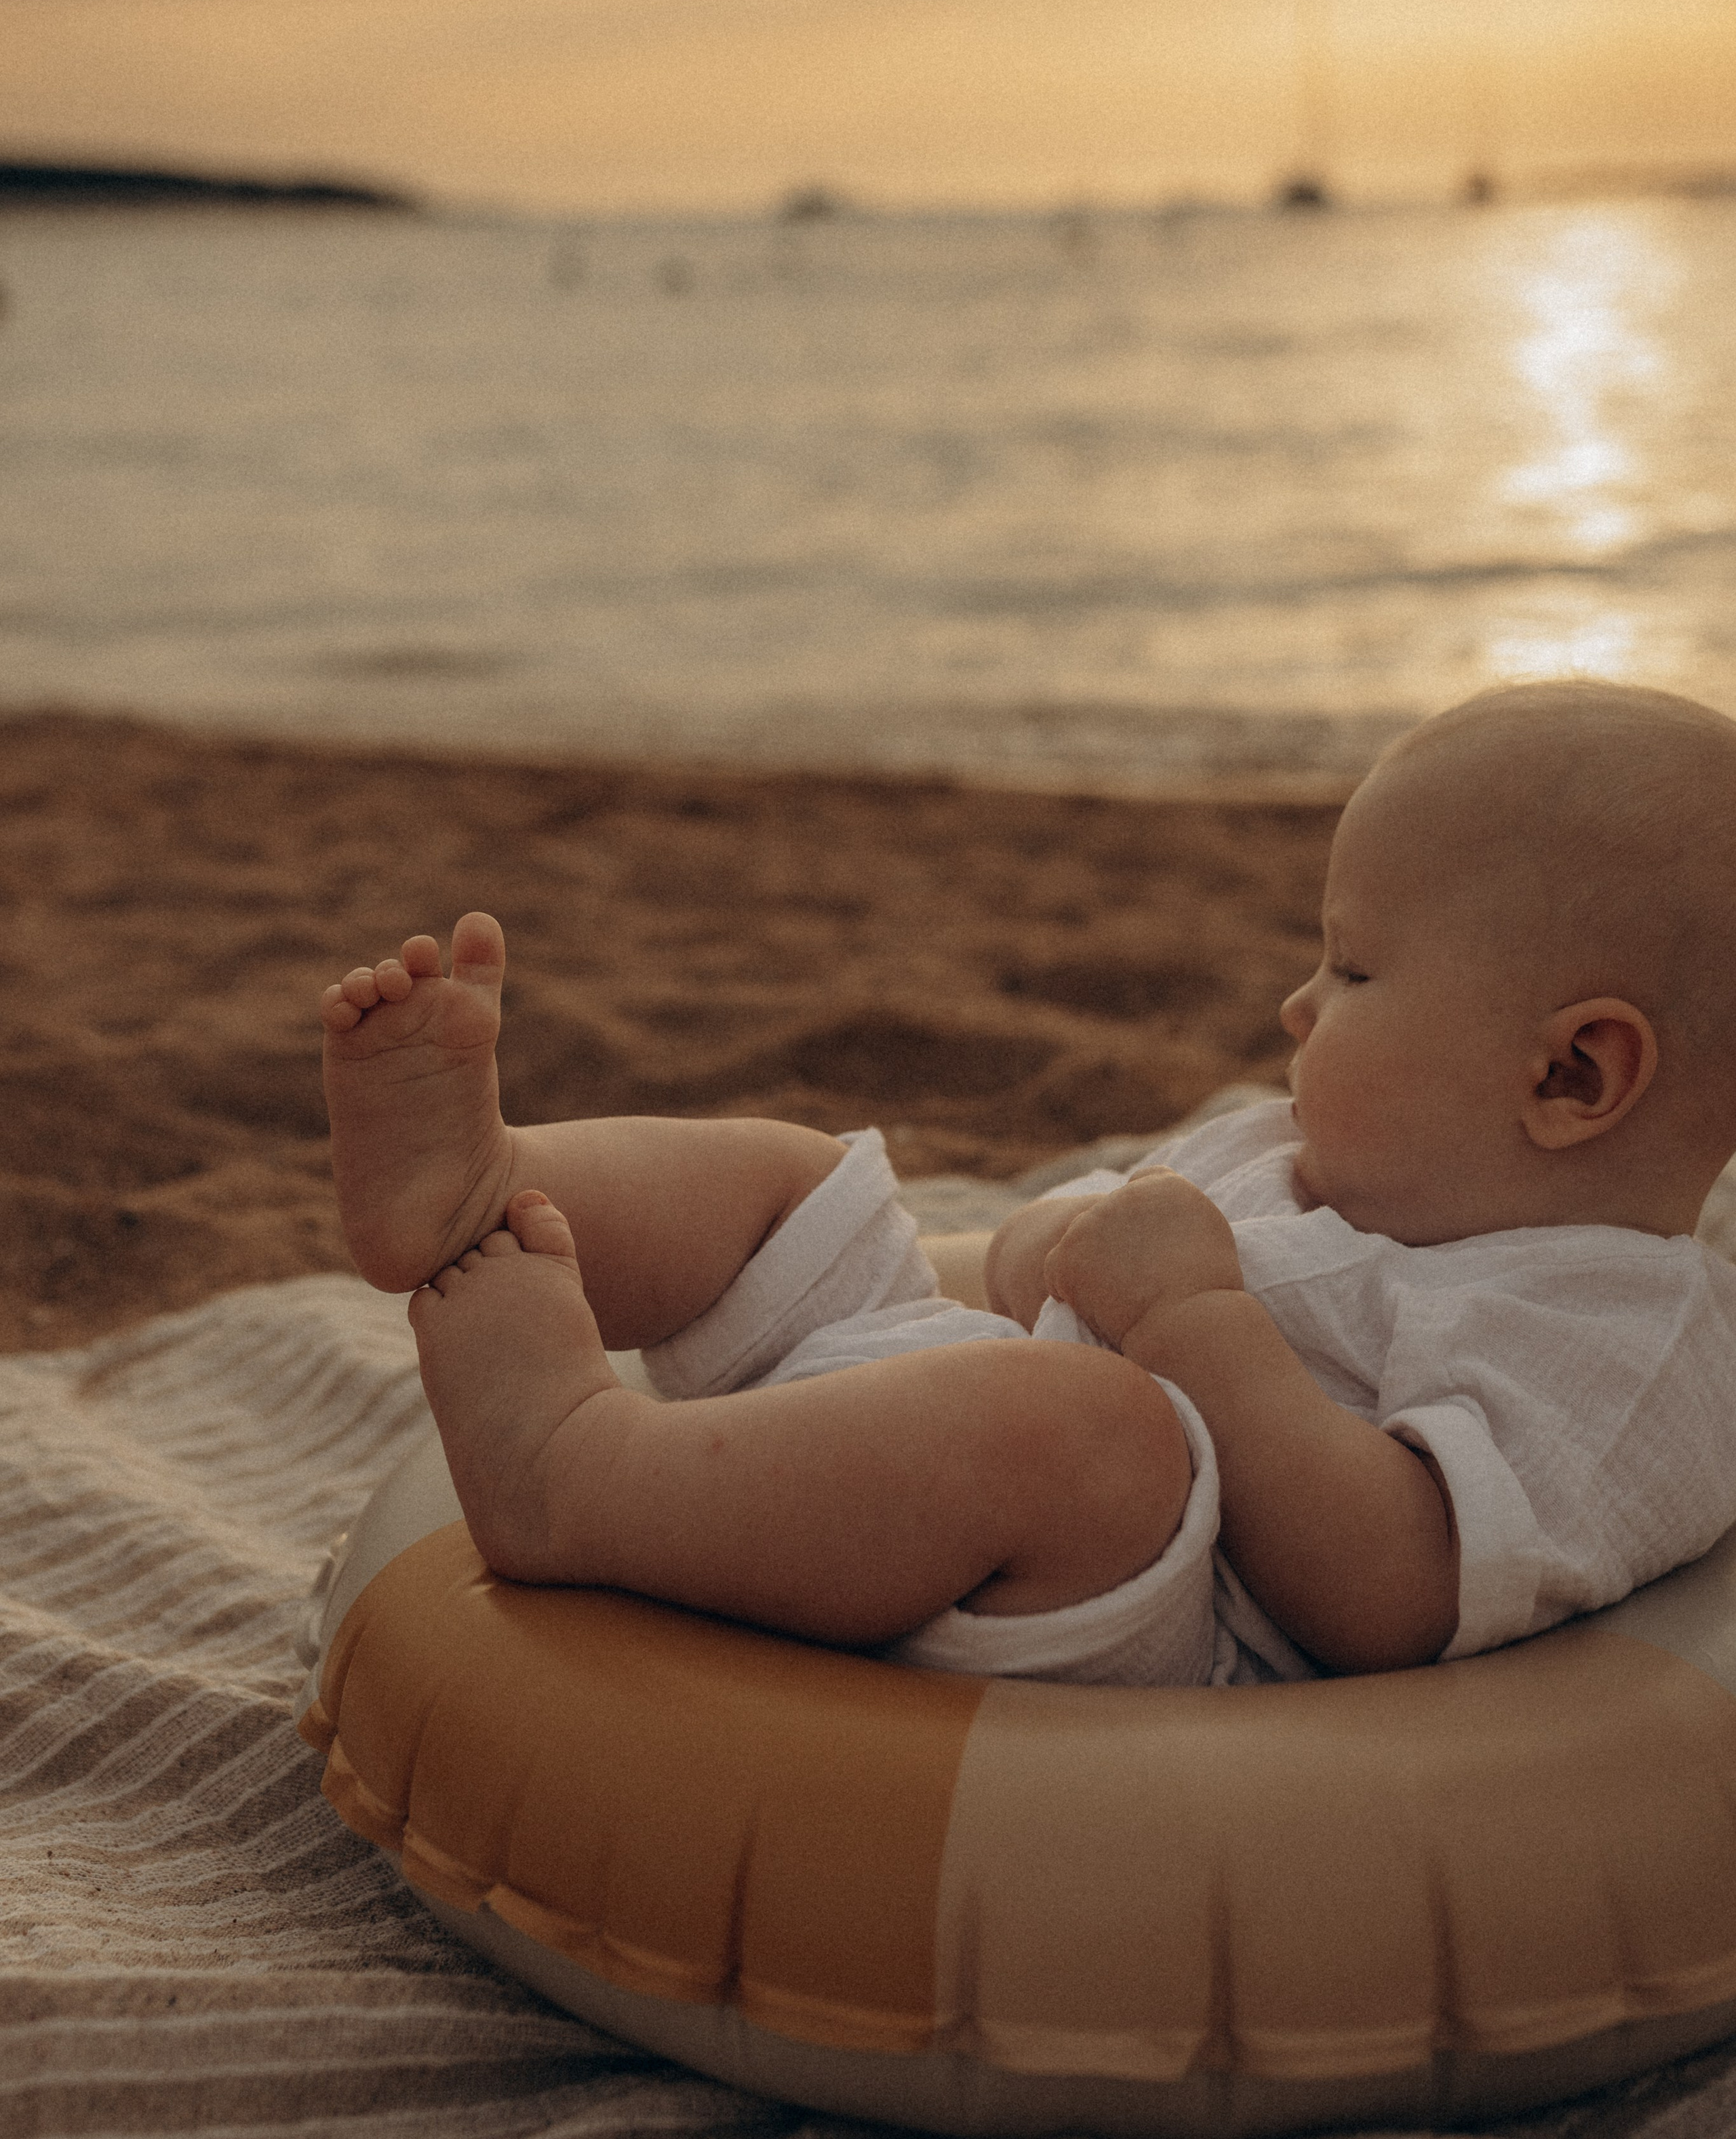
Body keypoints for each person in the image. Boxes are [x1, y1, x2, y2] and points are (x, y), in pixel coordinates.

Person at [320, 680, 1736, 1689]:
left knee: (1091, 1431)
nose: (1295, 1004)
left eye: (1352, 971)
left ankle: (573, 1473)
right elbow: (1034, 1264)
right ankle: (488, 1179)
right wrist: (1057, 1247)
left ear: (1570, 1078)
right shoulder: (1296, 1150)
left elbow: (1388, 1594)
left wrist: (1192, 1328)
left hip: (1141, 1609)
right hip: (934, 1426)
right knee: (792, 1178)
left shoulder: (1629, 1342)